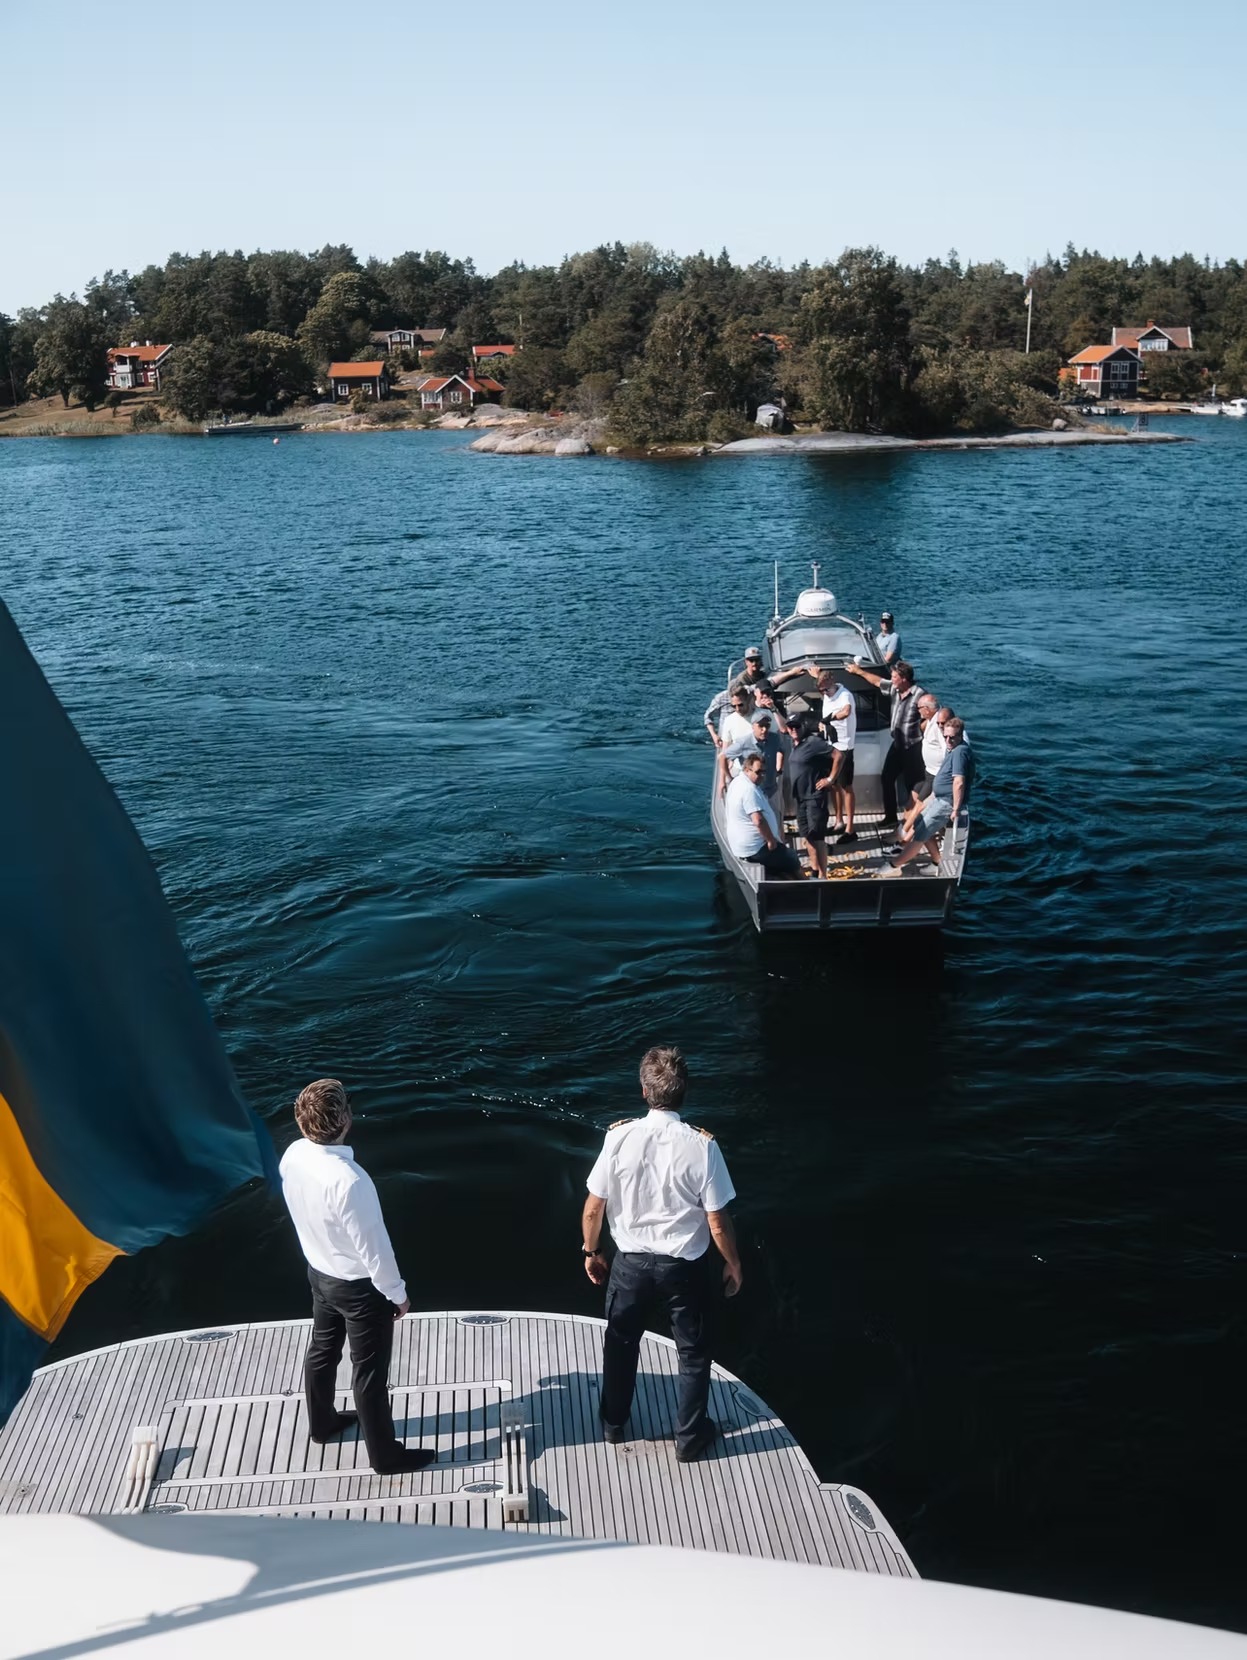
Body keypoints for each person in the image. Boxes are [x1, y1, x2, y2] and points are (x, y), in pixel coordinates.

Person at [582, 1045, 742, 1463]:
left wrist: (593, 1252)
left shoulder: (618, 1137)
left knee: (621, 1342)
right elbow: (718, 1223)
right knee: (692, 1352)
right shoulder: (703, 1147)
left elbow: (593, 1208)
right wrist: (734, 1263)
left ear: (644, 1090)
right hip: (683, 1269)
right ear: (684, 1091)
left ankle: (613, 1424)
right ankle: (689, 1439)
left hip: (630, 1265)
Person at [279, 1078, 436, 1475]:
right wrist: (396, 1294)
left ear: (302, 1122)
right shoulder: (351, 1181)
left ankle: (322, 1423)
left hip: (318, 1273)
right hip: (358, 1289)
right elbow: (374, 1249)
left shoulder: (293, 1155)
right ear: (345, 1119)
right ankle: (385, 1457)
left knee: (322, 1351)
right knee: (368, 1375)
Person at [888, 717, 975, 874]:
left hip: (946, 803)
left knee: (922, 833)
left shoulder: (960, 752)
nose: (948, 740)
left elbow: (959, 782)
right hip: (938, 798)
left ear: (961, 735)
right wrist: (932, 797)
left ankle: (893, 866)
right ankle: (936, 862)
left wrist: (955, 809)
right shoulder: (953, 749)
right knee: (920, 823)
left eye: (952, 737)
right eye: (945, 736)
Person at [847, 659, 925, 828]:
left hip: (913, 747)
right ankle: (891, 817)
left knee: (912, 784)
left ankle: (913, 820)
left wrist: (920, 729)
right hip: (896, 745)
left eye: (894, 676)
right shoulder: (894, 689)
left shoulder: (920, 695)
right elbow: (876, 681)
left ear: (904, 678)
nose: (891, 678)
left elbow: (929, 716)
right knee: (887, 777)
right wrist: (858, 671)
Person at [724, 751, 802, 878]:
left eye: (764, 772)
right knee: (792, 857)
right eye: (758, 772)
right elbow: (758, 820)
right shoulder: (749, 790)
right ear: (747, 770)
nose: (761, 776)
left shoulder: (737, 782)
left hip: (743, 846)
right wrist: (771, 841)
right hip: (756, 848)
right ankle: (806, 886)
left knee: (781, 861)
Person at [786, 711, 838, 878]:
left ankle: (823, 876)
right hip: (800, 799)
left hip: (814, 798)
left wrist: (830, 779)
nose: (794, 729)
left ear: (804, 726)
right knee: (807, 836)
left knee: (818, 838)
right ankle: (814, 871)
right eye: (791, 727)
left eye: (797, 726)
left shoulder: (814, 742)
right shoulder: (795, 743)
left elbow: (839, 755)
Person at [810, 666, 857, 844]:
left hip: (844, 747)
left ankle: (850, 829)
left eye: (826, 690)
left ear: (832, 682)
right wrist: (814, 675)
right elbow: (819, 680)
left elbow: (846, 711)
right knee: (834, 785)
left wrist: (829, 719)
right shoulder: (826, 691)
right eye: (821, 690)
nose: (824, 693)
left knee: (846, 786)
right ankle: (838, 821)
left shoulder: (844, 694)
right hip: (830, 745)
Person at [720, 709, 784, 819]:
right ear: (753, 726)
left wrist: (779, 769)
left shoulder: (774, 738)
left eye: (767, 726)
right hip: (752, 792)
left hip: (771, 790)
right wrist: (729, 778)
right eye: (761, 726)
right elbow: (722, 757)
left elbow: (781, 750)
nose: (764, 730)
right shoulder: (743, 743)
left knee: (777, 820)